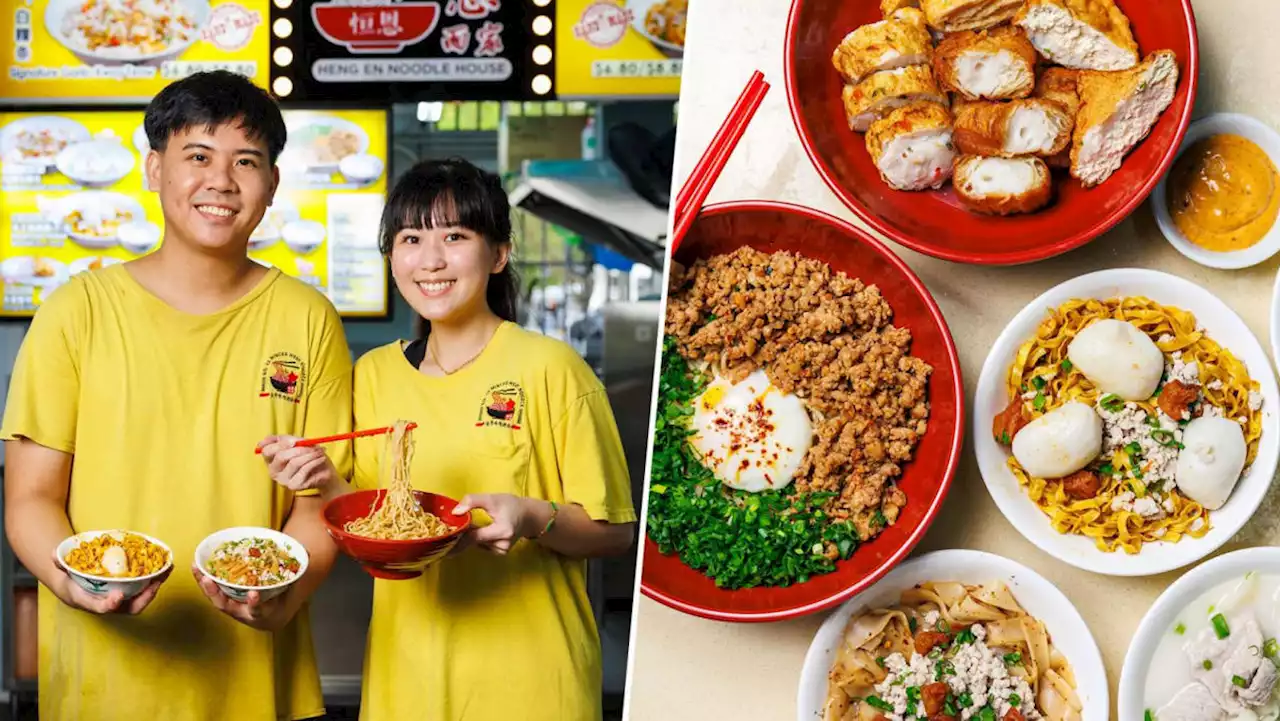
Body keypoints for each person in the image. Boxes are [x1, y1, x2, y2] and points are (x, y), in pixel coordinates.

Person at [1, 71, 352, 721]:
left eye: (245, 161)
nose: (221, 181)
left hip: (254, 683)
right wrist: (73, 584)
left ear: (272, 185)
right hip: (102, 684)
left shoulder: (308, 318)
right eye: (198, 156)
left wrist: (291, 589)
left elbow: (322, 500)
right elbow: (30, 497)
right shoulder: (76, 311)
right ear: (154, 169)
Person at [259, 158, 637, 721]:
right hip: (404, 677)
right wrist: (319, 478)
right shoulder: (375, 373)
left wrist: (532, 516)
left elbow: (615, 532)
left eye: (455, 236)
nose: (430, 260)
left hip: (531, 682)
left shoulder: (551, 368)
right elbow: (365, 517)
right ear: (392, 259)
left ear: (498, 254)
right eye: (410, 238)